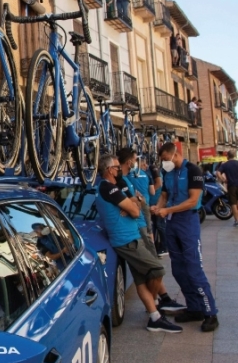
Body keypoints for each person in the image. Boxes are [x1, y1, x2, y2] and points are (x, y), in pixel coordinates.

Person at [94, 154, 182, 333]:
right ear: (110, 170)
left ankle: (154, 317)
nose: (120, 170)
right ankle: (156, 303)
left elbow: (136, 204)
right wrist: (134, 205)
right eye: (117, 167)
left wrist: (134, 204)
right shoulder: (108, 188)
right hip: (127, 240)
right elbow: (135, 211)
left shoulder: (113, 187)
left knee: (141, 280)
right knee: (157, 270)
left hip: (131, 236)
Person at [151, 142, 219, 332]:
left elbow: (192, 200)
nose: (164, 163)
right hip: (171, 222)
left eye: (165, 159)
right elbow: (164, 194)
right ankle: (194, 307)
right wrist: (158, 206)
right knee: (178, 269)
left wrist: (167, 210)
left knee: (193, 268)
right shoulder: (168, 172)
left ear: (175, 154)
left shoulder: (193, 170)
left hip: (187, 221)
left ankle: (210, 312)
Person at [216, 150, 238, 227]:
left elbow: (218, 173)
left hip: (231, 186)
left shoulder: (225, 165)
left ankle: (237, 220)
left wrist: (223, 180)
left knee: (233, 203)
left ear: (227, 156)